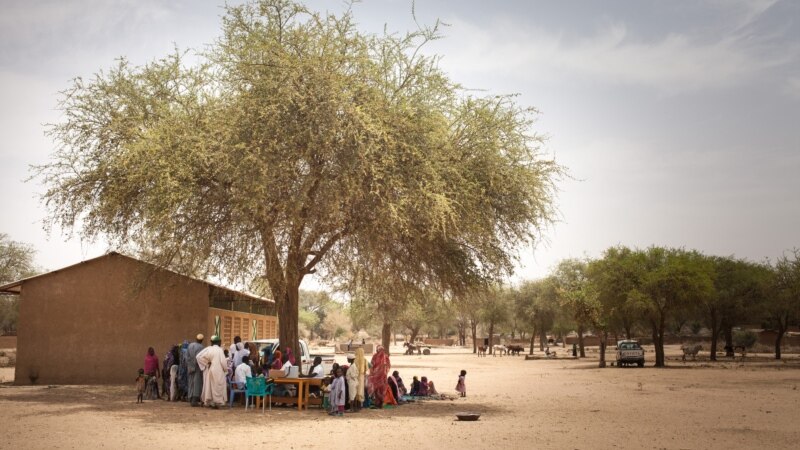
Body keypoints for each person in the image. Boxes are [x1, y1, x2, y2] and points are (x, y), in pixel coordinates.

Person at [196, 335, 228, 409]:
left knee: (210, 386)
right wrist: (226, 369)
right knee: (218, 386)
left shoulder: (208, 349)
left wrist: (206, 363)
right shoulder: (220, 350)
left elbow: (198, 357)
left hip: (210, 369)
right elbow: (223, 362)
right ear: (218, 342)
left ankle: (211, 402)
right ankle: (218, 402)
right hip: (218, 370)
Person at [186, 334, 205, 407]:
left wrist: (189, 364)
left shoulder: (190, 345)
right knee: (197, 382)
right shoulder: (201, 347)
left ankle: (190, 397)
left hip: (190, 366)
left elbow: (187, 356)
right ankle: (194, 400)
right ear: (201, 340)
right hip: (197, 366)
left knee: (190, 382)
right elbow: (200, 357)